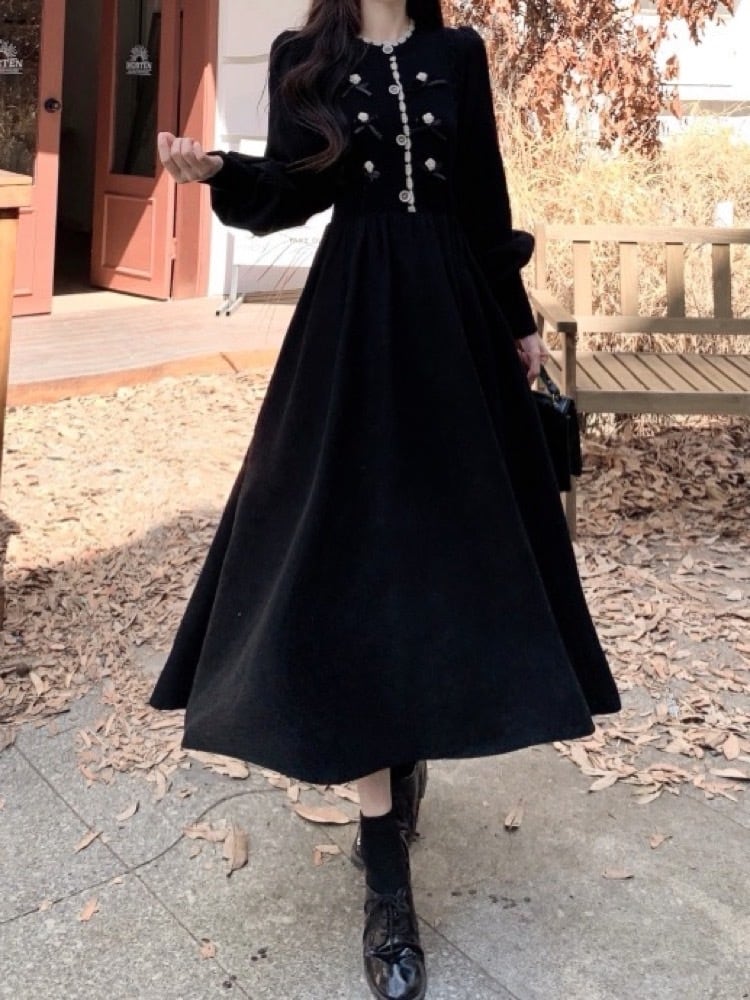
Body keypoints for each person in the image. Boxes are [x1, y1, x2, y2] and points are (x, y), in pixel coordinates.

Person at [151, 1, 621, 997]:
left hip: (454, 328)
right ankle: (385, 875)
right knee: (351, 571)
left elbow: (484, 194)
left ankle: (408, 751)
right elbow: (289, 192)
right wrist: (220, 172)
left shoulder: (458, 52)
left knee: (446, 561)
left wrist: (517, 320)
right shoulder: (306, 56)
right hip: (354, 330)